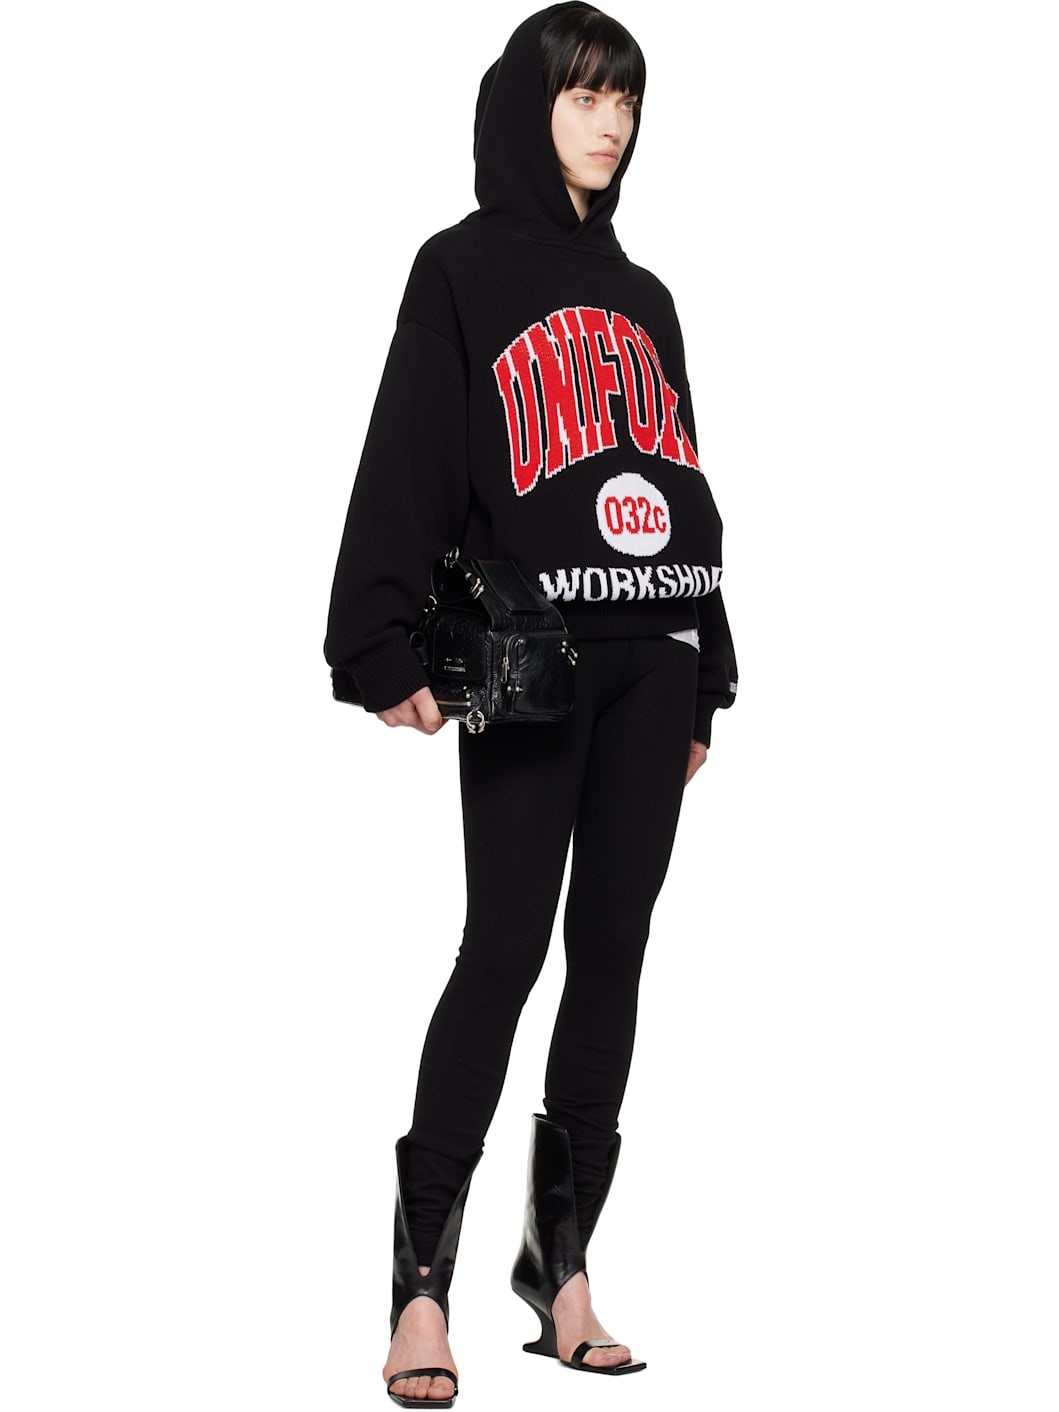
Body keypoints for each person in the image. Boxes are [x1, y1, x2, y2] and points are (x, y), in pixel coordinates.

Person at [324, 4, 737, 1404]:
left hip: (654, 655)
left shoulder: (647, 297)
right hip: (534, 657)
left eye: (627, 100)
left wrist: (710, 665)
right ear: (526, 107)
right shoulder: (460, 267)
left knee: (611, 953)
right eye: (583, 96)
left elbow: (678, 480)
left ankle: (560, 1273)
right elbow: (413, 446)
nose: (611, 124)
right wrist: (378, 641)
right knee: (502, 950)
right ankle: (419, 1286)